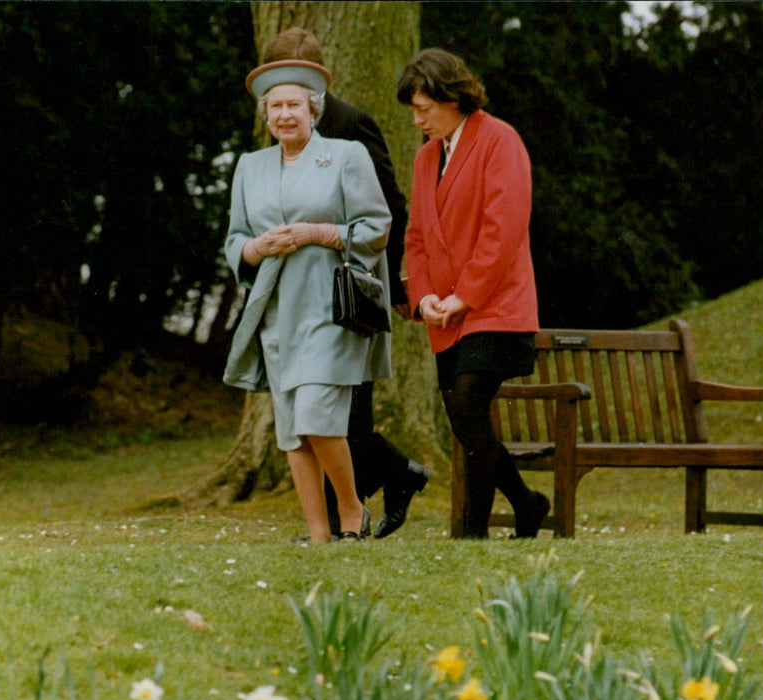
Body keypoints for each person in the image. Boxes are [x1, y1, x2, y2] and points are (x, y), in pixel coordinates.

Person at [261, 28, 430, 541]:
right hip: (295, 295)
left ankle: (346, 518)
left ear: (317, 74)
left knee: (345, 408)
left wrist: (398, 287)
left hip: (349, 287)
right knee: (320, 410)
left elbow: (389, 206)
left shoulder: (352, 124)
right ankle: (391, 480)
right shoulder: (278, 124)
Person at [223, 59, 391, 543]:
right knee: (293, 429)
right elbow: (236, 239)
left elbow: (376, 228)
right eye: (275, 106)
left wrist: (320, 233)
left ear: (313, 108)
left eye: (294, 104)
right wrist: (257, 248)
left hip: (330, 306)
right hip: (276, 312)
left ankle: (352, 509)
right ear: (266, 114)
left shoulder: (345, 155)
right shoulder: (249, 167)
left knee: (318, 414)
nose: (285, 114)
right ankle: (319, 533)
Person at [397, 48, 550, 540]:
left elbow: (502, 230)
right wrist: (423, 300)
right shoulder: (426, 157)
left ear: (453, 97)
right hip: (445, 314)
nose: (417, 118)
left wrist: (464, 296)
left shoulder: (500, 139)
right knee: (466, 421)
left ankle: (471, 534)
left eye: (424, 107)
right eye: (413, 109)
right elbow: (417, 237)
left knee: (466, 405)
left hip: (497, 306)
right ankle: (526, 505)